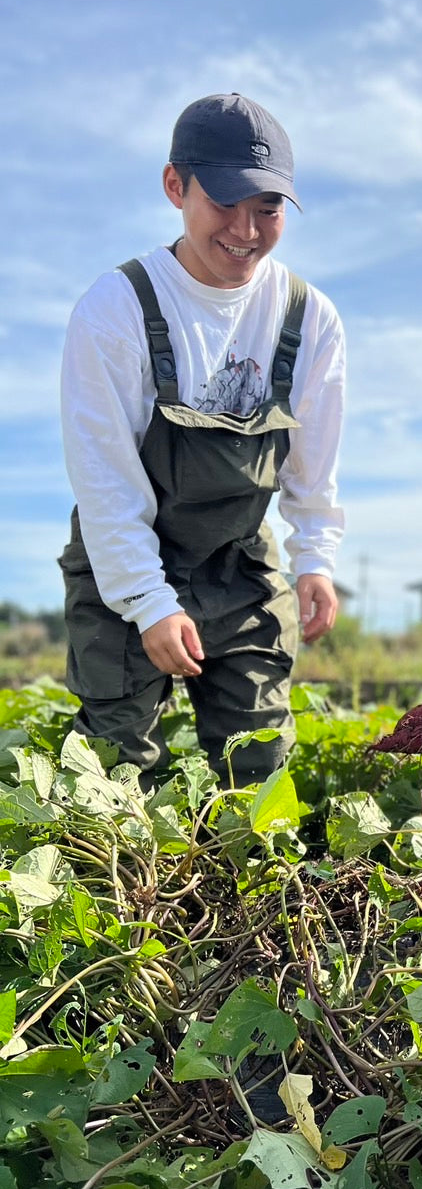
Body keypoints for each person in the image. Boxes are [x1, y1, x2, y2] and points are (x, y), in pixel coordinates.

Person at [59, 93, 345, 788]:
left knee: (258, 768)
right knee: (117, 773)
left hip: (240, 565)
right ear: (174, 186)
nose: (247, 230)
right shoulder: (116, 307)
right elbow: (104, 482)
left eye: (269, 209)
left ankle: (244, 891)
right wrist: (150, 603)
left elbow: (314, 460)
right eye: (226, 202)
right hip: (124, 556)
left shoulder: (310, 318)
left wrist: (314, 556)